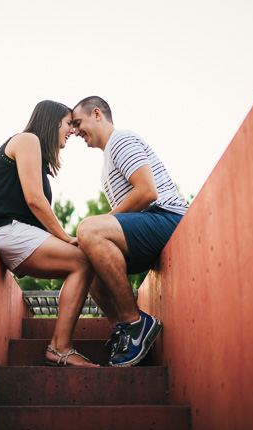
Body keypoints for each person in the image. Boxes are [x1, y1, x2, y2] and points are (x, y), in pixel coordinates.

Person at [0, 100, 97, 367]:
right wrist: (65, 237)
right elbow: (34, 201)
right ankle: (60, 347)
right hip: (1, 230)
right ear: (52, 122)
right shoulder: (27, 140)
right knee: (82, 261)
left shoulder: (37, 157)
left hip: (10, 232)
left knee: (85, 263)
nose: (72, 131)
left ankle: (62, 346)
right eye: (68, 124)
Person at [72, 96, 189, 367]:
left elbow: (147, 191)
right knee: (81, 257)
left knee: (88, 230)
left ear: (97, 114)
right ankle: (126, 334)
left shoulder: (120, 140)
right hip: (147, 228)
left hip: (167, 218)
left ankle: (135, 321)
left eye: (78, 123)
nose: (76, 131)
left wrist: (97, 228)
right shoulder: (105, 166)